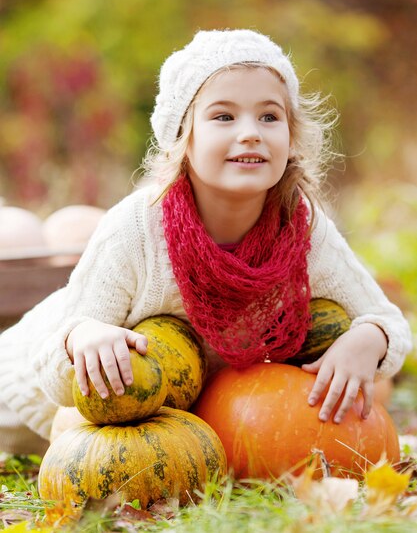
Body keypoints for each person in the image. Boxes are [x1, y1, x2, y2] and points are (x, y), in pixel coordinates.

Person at [0, 29, 412, 455]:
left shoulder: (300, 229)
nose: (251, 133)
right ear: (184, 137)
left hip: (169, 421)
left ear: (292, 137)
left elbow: (386, 320)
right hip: (27, 406)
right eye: (224, 117)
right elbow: (54, 364)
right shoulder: (139, 227)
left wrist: (369, 340)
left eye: (269, 117)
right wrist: (84, 336)